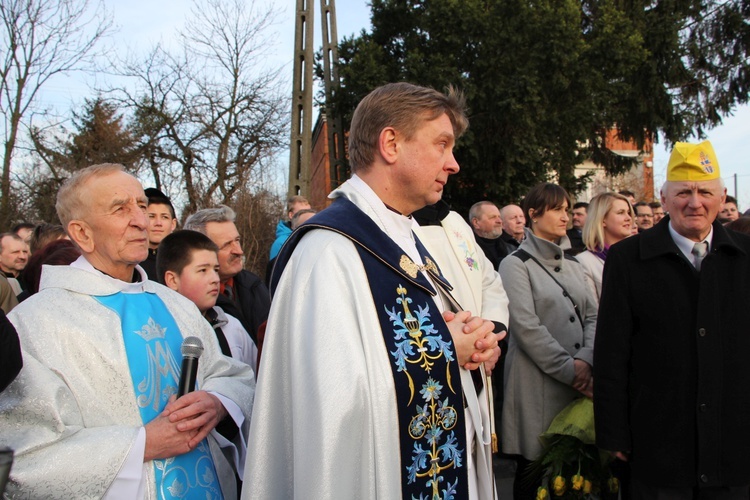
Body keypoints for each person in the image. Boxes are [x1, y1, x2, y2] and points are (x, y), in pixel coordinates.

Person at [244, 83, 502, 499]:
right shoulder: (328, 251)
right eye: (442, 145)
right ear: (391, 144)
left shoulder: (405, 236)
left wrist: (473, 344)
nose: (453, 164)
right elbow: (328, 408)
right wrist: (444, 350)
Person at [0, 163, 254, 498]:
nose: (140, 220)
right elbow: (23, 454)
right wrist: (141, 445)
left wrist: (217, 401)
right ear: (82, 233)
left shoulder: (175, 303)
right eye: (121, 209)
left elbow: (230, 372)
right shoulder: (37, 322)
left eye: (142, 206)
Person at [595, 140, 750, 498]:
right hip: (659, 443)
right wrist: (614, 431)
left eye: (704, 192)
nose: (695, 202)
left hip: (735, 443)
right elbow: (612, 351)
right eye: (683, 192)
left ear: (722, 196)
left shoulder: (745, 258)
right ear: (664, 199)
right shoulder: (627, 259)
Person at [498, 183, 597, 500]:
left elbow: (594, 316)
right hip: (537, 384)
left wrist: (587, 360)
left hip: (578, 382)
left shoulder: (576, 264)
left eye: (567, 209)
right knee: (535, 475)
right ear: (533, 214)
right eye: (557, 209)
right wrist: (571, 370)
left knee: (575, 476)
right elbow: (526, 327)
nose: (565, 216)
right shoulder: (515, 264)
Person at [157, 229, 258, 371]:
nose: (215, 279)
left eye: (216, 270)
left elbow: (253, 380)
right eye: (203, 270)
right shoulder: (157, 333)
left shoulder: (232, 327)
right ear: (173, 280)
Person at [184, 206, 270, 345]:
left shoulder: (254, 286)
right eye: (226, 245)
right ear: (200, 251)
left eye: (237, 240)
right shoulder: (190, 299)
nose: (239, 251)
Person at [575, 192, 634, 305]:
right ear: (602, 219)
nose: (628, 218)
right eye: (620, 213)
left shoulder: (637, 256)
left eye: (629, 212)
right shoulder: (585, 262)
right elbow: (592, 313)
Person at [141, 188, 178, 280]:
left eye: (164, 217)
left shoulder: (183, 261)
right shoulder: (128, 262)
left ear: (173, 224)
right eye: (151, 216)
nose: (158, 223)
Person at [268, 195, 311, 261]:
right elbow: (276, 270)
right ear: (291, 215)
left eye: (309, 212)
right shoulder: (281, 243)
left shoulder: (313, 236)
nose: (307, 217)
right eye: (302, 213)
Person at [469, 200, 509, 269]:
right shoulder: (469, 250)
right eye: (493, 217)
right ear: (476, 223)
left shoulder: (509, 247)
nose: (499, 221)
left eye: (499, 217)